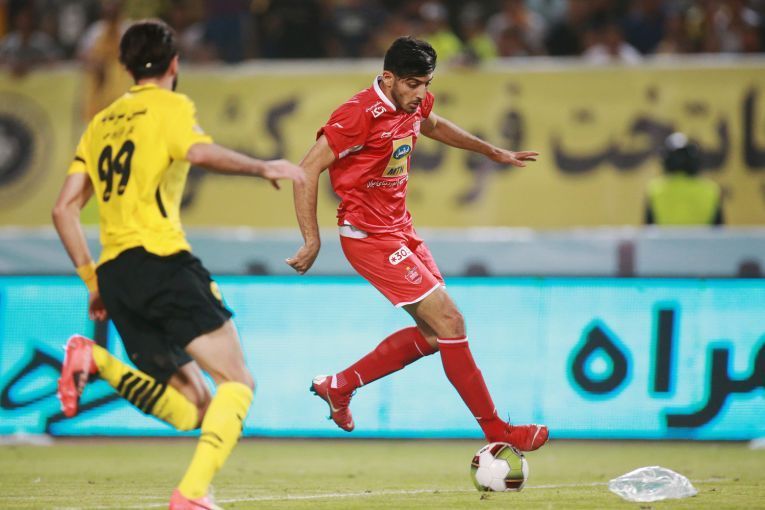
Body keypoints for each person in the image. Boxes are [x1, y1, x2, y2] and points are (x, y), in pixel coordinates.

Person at [52, 19, 304, 510]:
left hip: (116, 276)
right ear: (174, 63)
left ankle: (96, 360)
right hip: (161, 261)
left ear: (126, 66)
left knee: (195, 408)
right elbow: (198, 151)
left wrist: (91, 280)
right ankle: (190, 496)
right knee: (237, 382)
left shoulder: (100, 124)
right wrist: (260, 166)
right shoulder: (170, 106)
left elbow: (63, 209)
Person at [287, 36, 548, 452]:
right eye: (412, 84)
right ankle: (497, 430)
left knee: (434, 335)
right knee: (451, 323)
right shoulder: (358, 114)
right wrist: (311, 239)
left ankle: (339, 385)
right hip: (369, 236)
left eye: (426, 84)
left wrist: (490, 151)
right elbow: (306, 169)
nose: (421, 94)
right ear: (388, 78)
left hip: (401, 230)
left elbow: (434, 124)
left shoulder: (413, 102)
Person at [645, 132, 723, 226]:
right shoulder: (710, 190)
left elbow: (648, 229)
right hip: (701, 236)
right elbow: (720, 231)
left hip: (668, 236)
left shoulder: (655, 190)